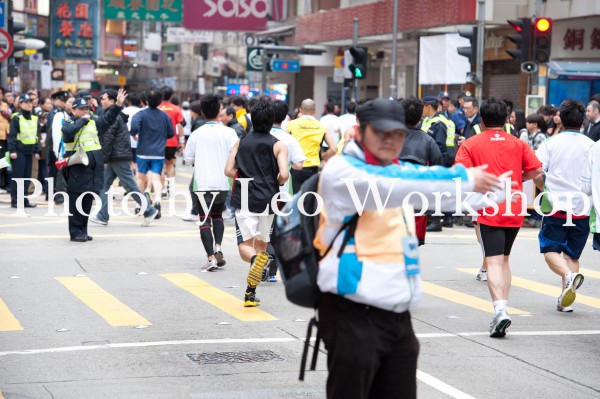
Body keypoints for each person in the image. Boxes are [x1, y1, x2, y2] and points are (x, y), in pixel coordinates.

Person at [315, 98, 507, 398]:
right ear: (360, 131)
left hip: (397, 315)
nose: (391, 140)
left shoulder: (398, 170)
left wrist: (492, 192)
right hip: (351, 310)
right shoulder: (343, 170)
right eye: (381, 132)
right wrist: (465, 178)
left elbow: (438, 198)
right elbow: (400, 184)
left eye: (398, 133)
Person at [455, 97, 542, 337]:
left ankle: (500, 309)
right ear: (506, 119)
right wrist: (516, 179)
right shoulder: (518, 143)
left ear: (481, 120)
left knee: (492, 261)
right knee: (504, 260)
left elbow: (461, 175)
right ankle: (502, 306)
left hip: (488, 208)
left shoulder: (470, 144)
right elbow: (536, 171)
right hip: (514, 207)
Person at [225, 100, 289, 307]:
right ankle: (250, 294)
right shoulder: (278, 145)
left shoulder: (241, 142)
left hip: (245, 196)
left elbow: (228, 171)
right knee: (261, 244)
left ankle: (254, 263)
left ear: (252, 119)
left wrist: (244, 174)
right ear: (272, 122)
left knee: (245, 245)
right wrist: (272, 181)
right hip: (269, 198)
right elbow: (284, 175)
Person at [534, 99, 594, 312]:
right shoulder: (591, 146)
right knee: (572, 255)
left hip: (557, 206)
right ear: (583, 120)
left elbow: (537, 171)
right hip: (583, 208)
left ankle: (568, 276)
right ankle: (565, 298)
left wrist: (545, 190)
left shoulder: (551, 143)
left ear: (561, 117)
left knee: (550, 248)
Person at [61, 89, 127, 242]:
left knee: (87, 200)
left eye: (86, 109)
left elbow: (108, 119)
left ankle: (83, 230)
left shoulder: (94, 122)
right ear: (73, 110)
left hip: (92, 168)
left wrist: (117, 105)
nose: (85, 111)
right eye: (81, 109)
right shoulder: (70, 122)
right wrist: (82, 120)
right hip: (77, 167)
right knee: (76, 200)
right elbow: (68, 131)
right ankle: (76, 232)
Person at [184, 95, 238, 271]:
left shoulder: (196, 134)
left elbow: (187, 160)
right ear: (219, 112)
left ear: (202, 112)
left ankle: (210, 258)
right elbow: (236, 155)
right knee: (217, 216)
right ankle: (219, 248)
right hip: (223, 182)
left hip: (203, 184)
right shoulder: (230, 133)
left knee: (204, 220)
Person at [90, 89, 158, 227]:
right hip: (116, 156)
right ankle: (103, 215)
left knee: (130, 185)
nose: (100, 101)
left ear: (112, 101)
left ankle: (149, 210)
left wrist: (104, 159)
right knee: (104, 185)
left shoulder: (112, 116)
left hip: (117, 156)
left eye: (103, 98)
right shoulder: (111, 114)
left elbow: (108, 139)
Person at [399, 97, 444, 245]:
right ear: (420, 117)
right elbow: (439, 170)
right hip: (418, 199)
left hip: (391, 198)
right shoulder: (428, 141)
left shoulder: (388, 138)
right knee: (412, 243)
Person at [130, 87, 175, 219]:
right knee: (156, 178)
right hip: (158, 152)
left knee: (140, 177)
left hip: (143, 151)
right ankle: (157, 201)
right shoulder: (164, 116)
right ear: (160, 101)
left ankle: (139, 205)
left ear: (146, 100)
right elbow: (171, 133)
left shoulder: (141, 114)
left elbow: (134, 127)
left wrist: (134, 134)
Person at [286, 98, 337, 192]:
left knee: (297, 200)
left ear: (300, 110)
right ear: (315, 110)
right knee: (309, 201)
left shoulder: (290, 125)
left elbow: (283, 143)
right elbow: (334, 149)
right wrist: (323, 156)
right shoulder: (322, 126)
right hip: (312, 169)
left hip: (295, 167)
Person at [7, 93, 40, 208]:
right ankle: (15, 200)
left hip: (29, 151)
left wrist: (37, 150)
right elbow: (12, 135)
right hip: (18, 151)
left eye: (30, 102)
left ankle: (24, 200)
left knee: (26, 177)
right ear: (20, 104)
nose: (29, 104)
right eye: (26, 102)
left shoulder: (35, 118)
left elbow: (36, 136)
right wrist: (12, 151)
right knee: (18, 177)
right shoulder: (16, 117)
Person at [159, 86, 185, 198]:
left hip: (158, 141)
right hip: (172, 141)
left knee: (160, 167)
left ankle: (162, 190)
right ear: (171, 96)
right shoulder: (176, 109)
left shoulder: (157, 108)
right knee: (170, 165)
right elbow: (180, 125)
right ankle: (170, 188)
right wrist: (182, 142)